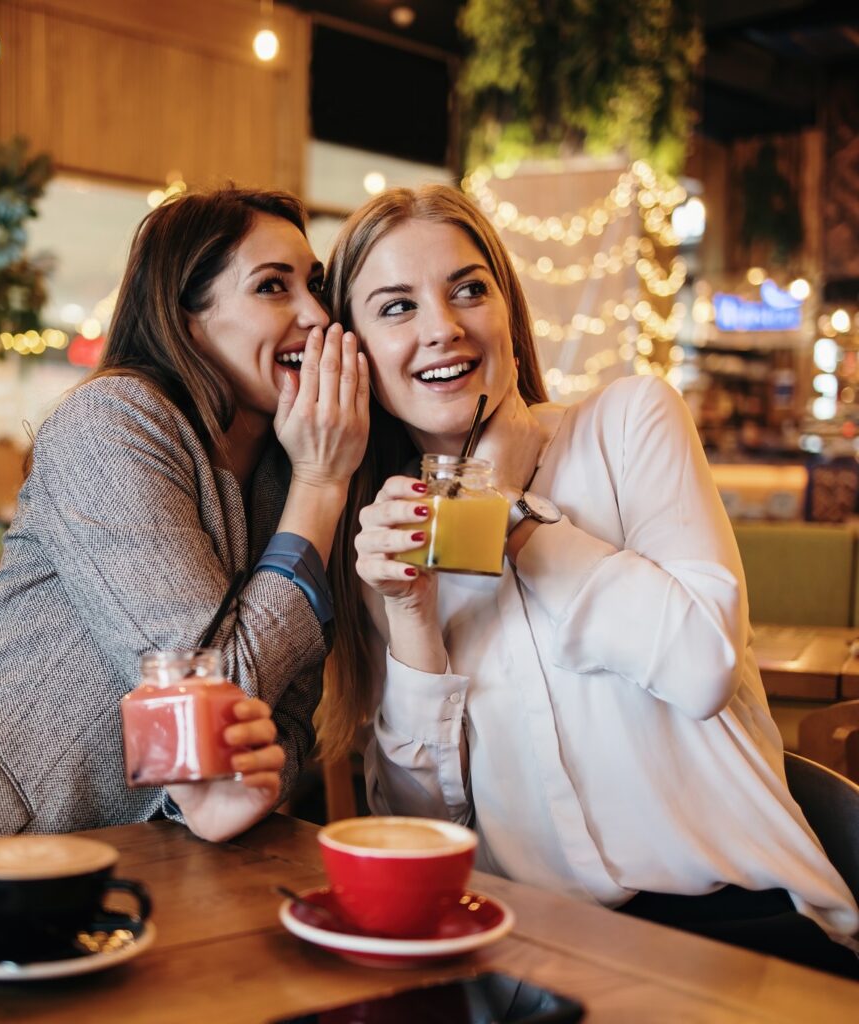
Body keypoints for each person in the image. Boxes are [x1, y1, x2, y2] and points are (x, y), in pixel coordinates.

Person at [319, 184, 859, 977]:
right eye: (396, 306)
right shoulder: (388, 537)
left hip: (744, 930)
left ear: (507, 311)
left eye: (469, 289)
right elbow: (427, 828)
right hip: (539, 954)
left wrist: (516, 515)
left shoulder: (628, 423)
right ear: (356, 348)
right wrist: (409, 615)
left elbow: (703, 664)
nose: (443, 327)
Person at [0, 185, 368, 861]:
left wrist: (253, 780)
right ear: (186, 317)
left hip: (147, 881)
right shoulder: (109, 424)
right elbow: (213, 699)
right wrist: (323, 487)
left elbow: (287, 725)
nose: (318, 315)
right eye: (273, 287)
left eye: (316, 285)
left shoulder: (282, 481)